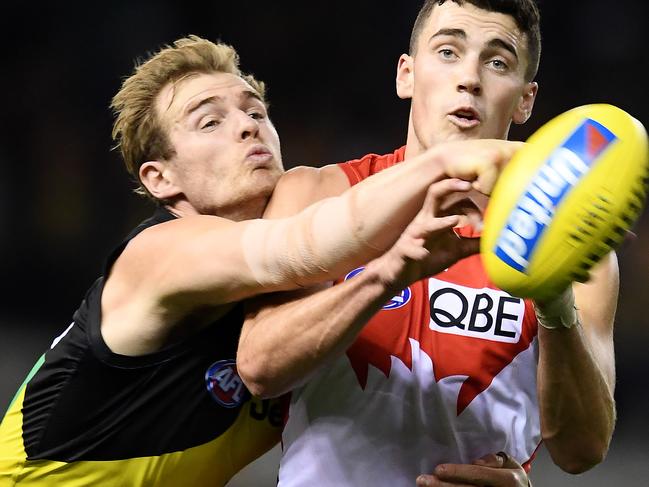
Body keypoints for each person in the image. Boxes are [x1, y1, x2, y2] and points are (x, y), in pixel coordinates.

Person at [0, 36, 520, 486]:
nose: (247, 128)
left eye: (255, 112)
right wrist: (445, 163)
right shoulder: (160, 253)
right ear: (161, 179)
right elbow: (299, 245)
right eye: (210, 122)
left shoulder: (301, 308)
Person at [238, 1, 617, 486]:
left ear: (525, 101)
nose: (470, 79)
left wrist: (554, 297)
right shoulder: (317, 195)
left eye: (497, 62)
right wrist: (388, 271)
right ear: (407, 76)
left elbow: (582, 449)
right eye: (448, 52)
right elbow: (260, 368)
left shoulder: (576, 245)